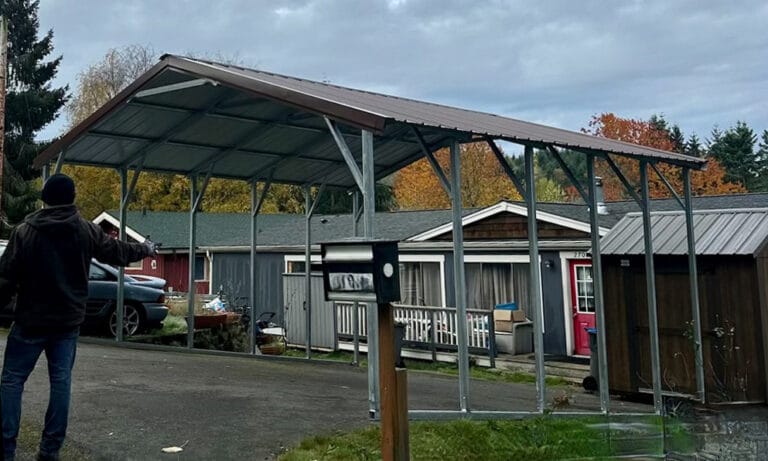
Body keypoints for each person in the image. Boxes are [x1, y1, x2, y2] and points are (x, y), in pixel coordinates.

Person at [0, 174, 157, 461]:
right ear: (72, 198)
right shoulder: (85, 231)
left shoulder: (24, 232)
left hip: (29, 321)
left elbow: (5, 278)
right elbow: (118, 252)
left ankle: (6, 450)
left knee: (12, 382)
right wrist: (145, 249)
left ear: (44, 199)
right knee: (60, 383)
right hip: (66, 324)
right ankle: (50, 451)